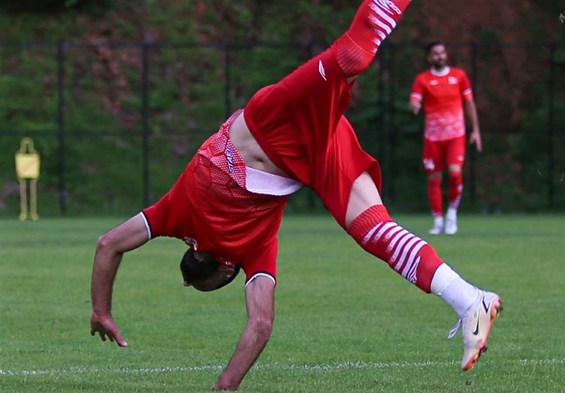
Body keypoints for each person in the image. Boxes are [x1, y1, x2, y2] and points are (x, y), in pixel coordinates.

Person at [90, 1, 502, 391]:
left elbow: (261, 324)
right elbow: (109, 244)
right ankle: (470, 301)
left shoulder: (247, 253)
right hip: (304, 154)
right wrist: (100, 310)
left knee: (351, 58)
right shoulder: (173, 216)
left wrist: (224, 387)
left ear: (222, 271)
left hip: (272, 129)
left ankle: (469, 301)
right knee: (375, 231)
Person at [409, 41, 482, 235]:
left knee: (455, 172)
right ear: (429, 57)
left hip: (455, 135)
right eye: (435, 54)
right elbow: (414, 99)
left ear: (446, 55)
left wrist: (475, 130)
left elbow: (469, 103)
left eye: (442, 53)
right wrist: (414, 106)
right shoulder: (422, 79)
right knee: (434, 177)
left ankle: (452, 214)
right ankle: (438, 220)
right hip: (432, 137)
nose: (439, 56)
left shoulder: (459, 76)